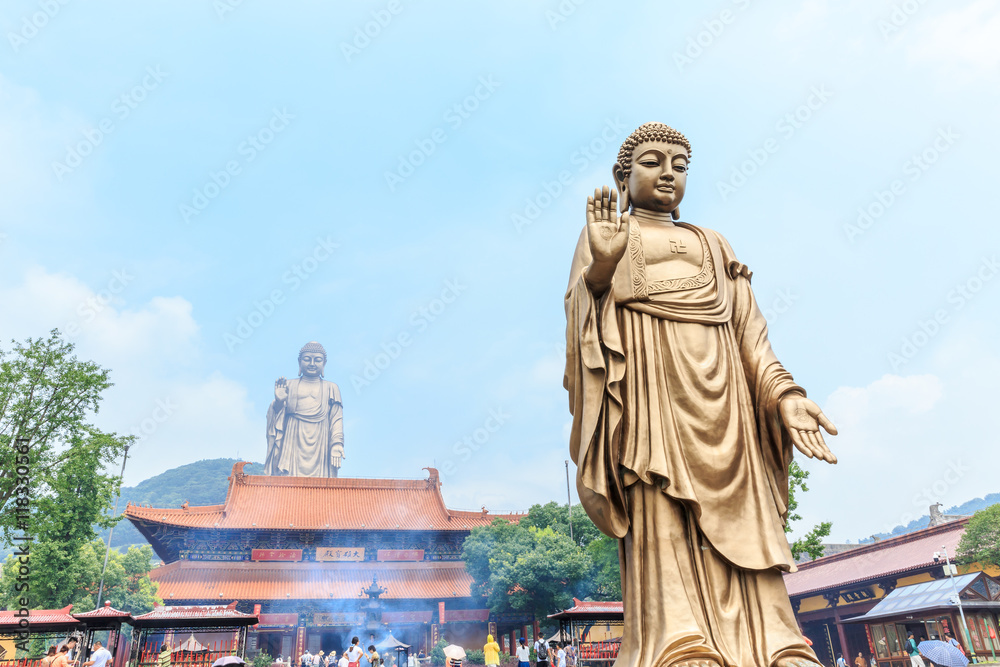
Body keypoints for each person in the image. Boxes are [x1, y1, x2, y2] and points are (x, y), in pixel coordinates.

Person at [564, 122, 837, 667]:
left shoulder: (713, 244)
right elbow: (582, 326)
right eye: (652, 162)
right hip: (651, 400)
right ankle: (680, 641)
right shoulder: (609, 236)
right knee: (662, 507)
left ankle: (776, 641)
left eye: (680, 165)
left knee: (748, 517)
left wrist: (784, 395)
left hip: (728, 407)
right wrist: (600, 268)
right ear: (624, 175)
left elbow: (751, 335)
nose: (668, 173)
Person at [265, 341, 345, 478]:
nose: (312, 363)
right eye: (307, 359)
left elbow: (336, 419)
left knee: (320, 485)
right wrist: (279, 402)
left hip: (321, 440)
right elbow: (277, 417)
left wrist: (337, 444)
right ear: (299, 362)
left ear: (324, 363)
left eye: (317, 360)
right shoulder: (289, 385)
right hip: (292, 439)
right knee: (288, 485)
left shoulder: (331, 388)